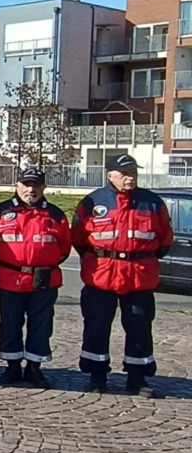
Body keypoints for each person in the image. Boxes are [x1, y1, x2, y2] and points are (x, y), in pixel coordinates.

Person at [72, 153, 172, 396]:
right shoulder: (92, 202)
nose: (130, 178)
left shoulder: (152, 203)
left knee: (139, 328)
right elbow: (79, 239)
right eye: (124, 174)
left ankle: (137, 378)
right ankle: (97, 376)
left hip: (139, 277)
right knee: (96, 325)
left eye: (133, 173)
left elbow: (164, 240)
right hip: (101, 277)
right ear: (110, 175)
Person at [0, 167, 72, 388]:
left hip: (44, 279)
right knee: (10, 323)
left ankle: (34, 367)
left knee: (41, 325)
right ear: (17, 185)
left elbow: (64, 248)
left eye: (36, 185)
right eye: (26, 185)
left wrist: (43, 263)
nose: (31, 190)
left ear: (43, 188)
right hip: (10, 278)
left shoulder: (56, 215)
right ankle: (12, 366)